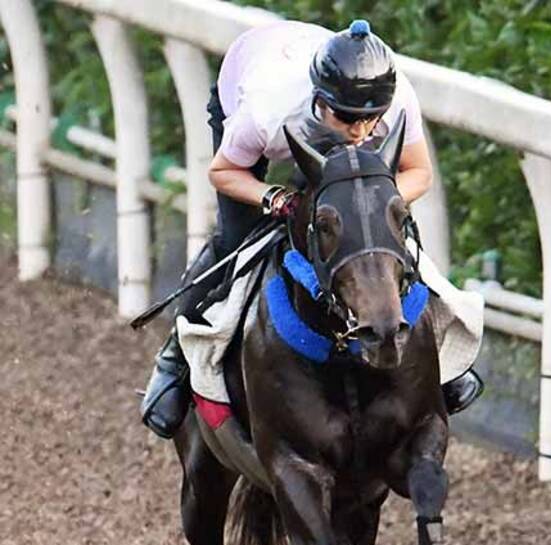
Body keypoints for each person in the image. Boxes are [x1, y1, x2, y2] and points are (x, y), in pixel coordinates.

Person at [141, 18, 483, 439]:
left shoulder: (397, 103)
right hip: (248, 84)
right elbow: (224, 172)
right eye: (346, 119)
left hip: (301, 73)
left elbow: (419, 173)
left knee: (393, 238)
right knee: (234, 238)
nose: (359, 133)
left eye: (370, 120)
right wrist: (274, 197)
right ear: (320, 100)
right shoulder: (267, 112)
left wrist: (382, 207)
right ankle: (174, 361)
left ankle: (442, 365)